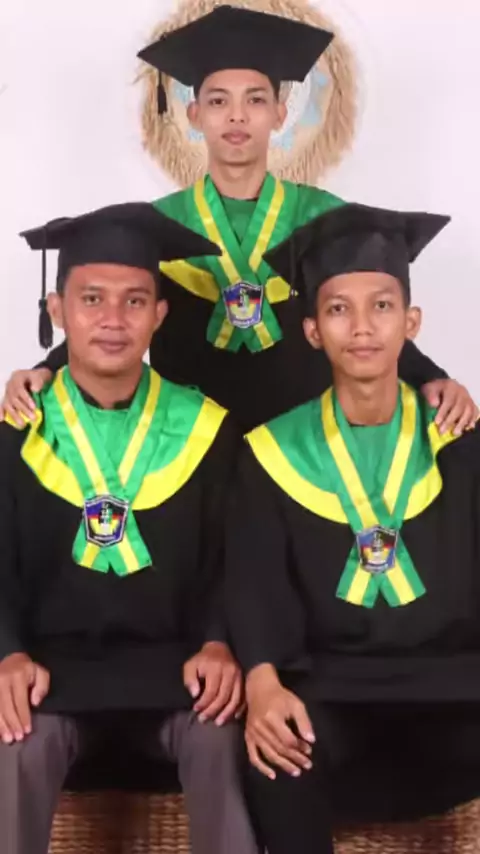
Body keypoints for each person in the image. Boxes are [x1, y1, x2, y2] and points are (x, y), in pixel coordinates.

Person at [1, 6, 476, 433]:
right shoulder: (160, 226)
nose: (236, 117)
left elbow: (365, 316)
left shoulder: (324, 218)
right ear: (194, 115)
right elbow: (115, 316)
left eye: (255, 100)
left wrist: (433, 378)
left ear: (279, 114)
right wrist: (45, 370)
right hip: (181, 447)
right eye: (217, 101)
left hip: (306, 446)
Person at [0, 202, 260, 854]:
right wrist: (7, 653)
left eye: (135, 301)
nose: (113, 319)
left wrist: (219, 641)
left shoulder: (206, 430)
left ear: (159, 315)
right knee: (14, 742)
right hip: (52, 676)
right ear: (58, 310)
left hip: (177, 674)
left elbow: (236, 558)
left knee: (221, 734)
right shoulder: (17, 432)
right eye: (92, 299)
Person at [226, 202, 480, 854]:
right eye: (339, 309)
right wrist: (262, 681)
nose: (362, 328)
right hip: (331, 688)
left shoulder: (459, 444)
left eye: (382, 307)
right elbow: (254, 583)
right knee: (276, 755)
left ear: (411, 323)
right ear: (312, 331)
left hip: (454, 685)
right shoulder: (271, 452)